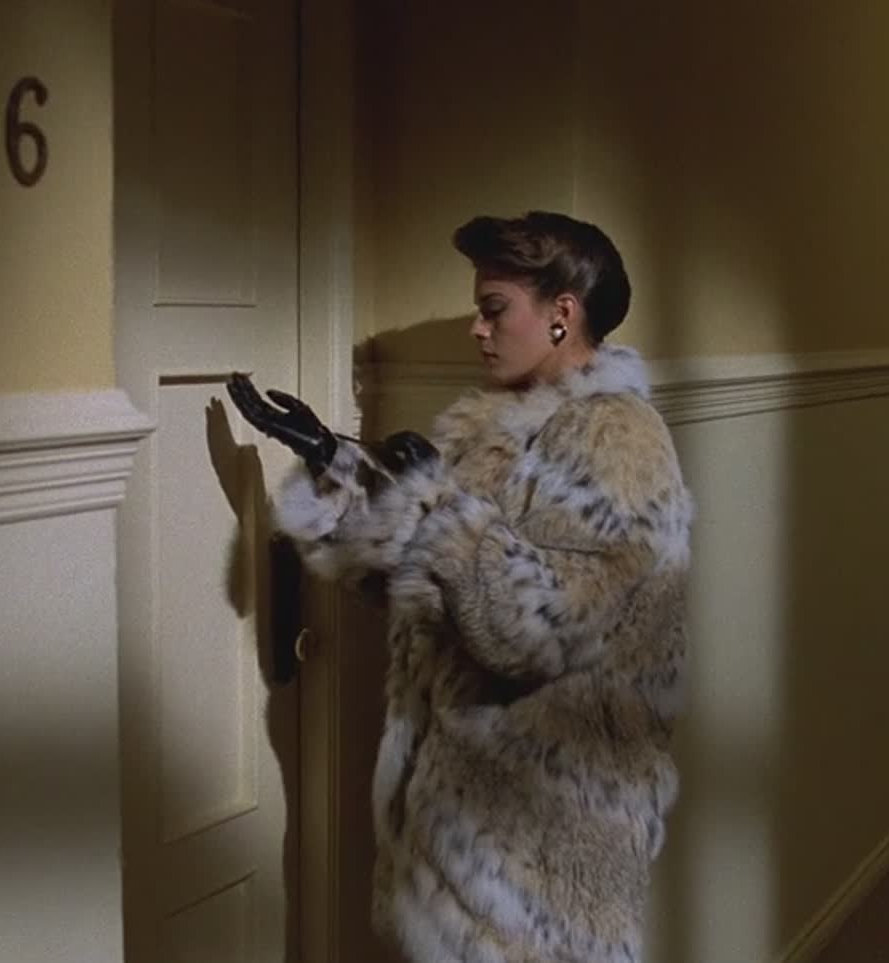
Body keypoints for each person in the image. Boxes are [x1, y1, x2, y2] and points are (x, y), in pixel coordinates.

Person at [228, 211, 692, 963]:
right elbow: (420, 580)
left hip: (544, 827)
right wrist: (334, 465)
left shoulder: (617, 439)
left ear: (562, 313)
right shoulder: (497, 425)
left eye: (494, 308)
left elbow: (535, 629)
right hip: (469, 810)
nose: (478, 329)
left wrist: (436, 508)